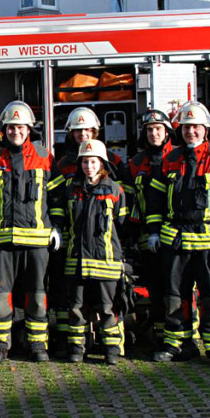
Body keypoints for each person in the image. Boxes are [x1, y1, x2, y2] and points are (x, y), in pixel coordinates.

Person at [146, 101, 210, 368]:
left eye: (196, 127)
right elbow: (154, 198)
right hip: (175, 240)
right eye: (187, 127)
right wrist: (154, 231)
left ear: (206, 129)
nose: (191, 132)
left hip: (209, 241)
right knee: (175, 295)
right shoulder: (170, 160)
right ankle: (179, 344)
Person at [0, 101, 59, 363]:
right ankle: (0, 345)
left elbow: (56, 196)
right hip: (2, 240)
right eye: (11, 127)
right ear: (5, 129)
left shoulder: (45, 156)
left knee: (37, 295)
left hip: (37, 240)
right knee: (1, 296)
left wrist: (54, 227)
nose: (16, 131)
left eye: (21, 127)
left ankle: (37, 345)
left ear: (29, 129)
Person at [46, 107, 127, 356]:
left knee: (107, 304)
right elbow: (56, 201)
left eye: (88, 130)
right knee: (72, 303)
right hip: (74, 250)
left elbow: (121, 219)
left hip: (104, 255)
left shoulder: (114, 173)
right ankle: (72, 344)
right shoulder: (62, 166)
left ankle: (112, 347)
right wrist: (57, 229)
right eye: (78, 131)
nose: (83, 135)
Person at [126, 110, 176, 350]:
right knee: (156, 290)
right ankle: (160, 337)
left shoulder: (177, 158)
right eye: (149, 129)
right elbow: (128, 200)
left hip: (176, 237)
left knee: (177, 289)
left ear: (167, 132)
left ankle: (182, 337)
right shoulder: (135, 163)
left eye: (158, 129)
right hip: (147, 236)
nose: (154, 133)